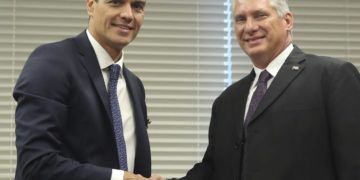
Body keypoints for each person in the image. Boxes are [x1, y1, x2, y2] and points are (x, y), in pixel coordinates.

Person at [174, 0, 360, 179]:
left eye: (260, 16)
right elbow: (213, 170)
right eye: (241, 19)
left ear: (287, 21)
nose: (249, 27)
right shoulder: (226, 101)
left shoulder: (332, 77)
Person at [13, 0, 162, 179]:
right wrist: (118, 178)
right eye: (116, 2)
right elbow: (36, 164)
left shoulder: (135, 86)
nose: (128, 15)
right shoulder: (51, 63)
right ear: (91, 5)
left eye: (137, 6)